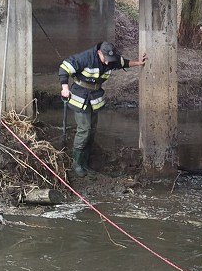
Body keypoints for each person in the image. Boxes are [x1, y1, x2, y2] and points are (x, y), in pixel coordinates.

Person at [59, 42, 147, 177]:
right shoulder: (86, 57)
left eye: (109, 60)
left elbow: (123, 62)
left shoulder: (111, 59)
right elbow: (65, 67)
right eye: (105, 59)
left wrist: (138, 63)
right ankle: (76, 163)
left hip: (94, 98)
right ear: (99, 52)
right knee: (84, 130)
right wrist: (65, 88)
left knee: (92, 130)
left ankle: (85, 162)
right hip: (80, 96)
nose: (107, 63)